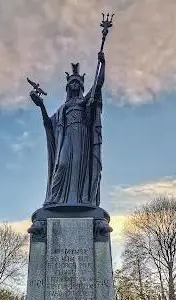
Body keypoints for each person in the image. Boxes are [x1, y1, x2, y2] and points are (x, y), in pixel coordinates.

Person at [30, 51, 106, 207]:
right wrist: (41, 105)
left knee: (79, 166)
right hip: (66, 137)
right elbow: (49, 125)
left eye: (77, 83)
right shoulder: (63, 109)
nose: (74, 85)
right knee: (62, 164)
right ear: (68, 87)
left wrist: (103, 63)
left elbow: (98, 84)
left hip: (82, 136)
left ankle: (80, 199)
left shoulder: (85, 102)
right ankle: (55, 198)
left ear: (81, 86)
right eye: (71, 83)